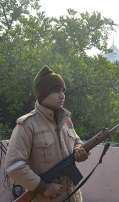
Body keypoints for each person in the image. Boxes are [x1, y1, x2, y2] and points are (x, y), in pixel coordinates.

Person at [4, 66, 89, 202]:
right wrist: (43, 187)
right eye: (56, 91)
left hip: (73, 196)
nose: (62, 95)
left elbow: (76, 141)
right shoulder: (27, 125)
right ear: (43, 94)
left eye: (63, 90)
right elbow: (14, 166)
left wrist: (80, 150)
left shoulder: (65, 120)